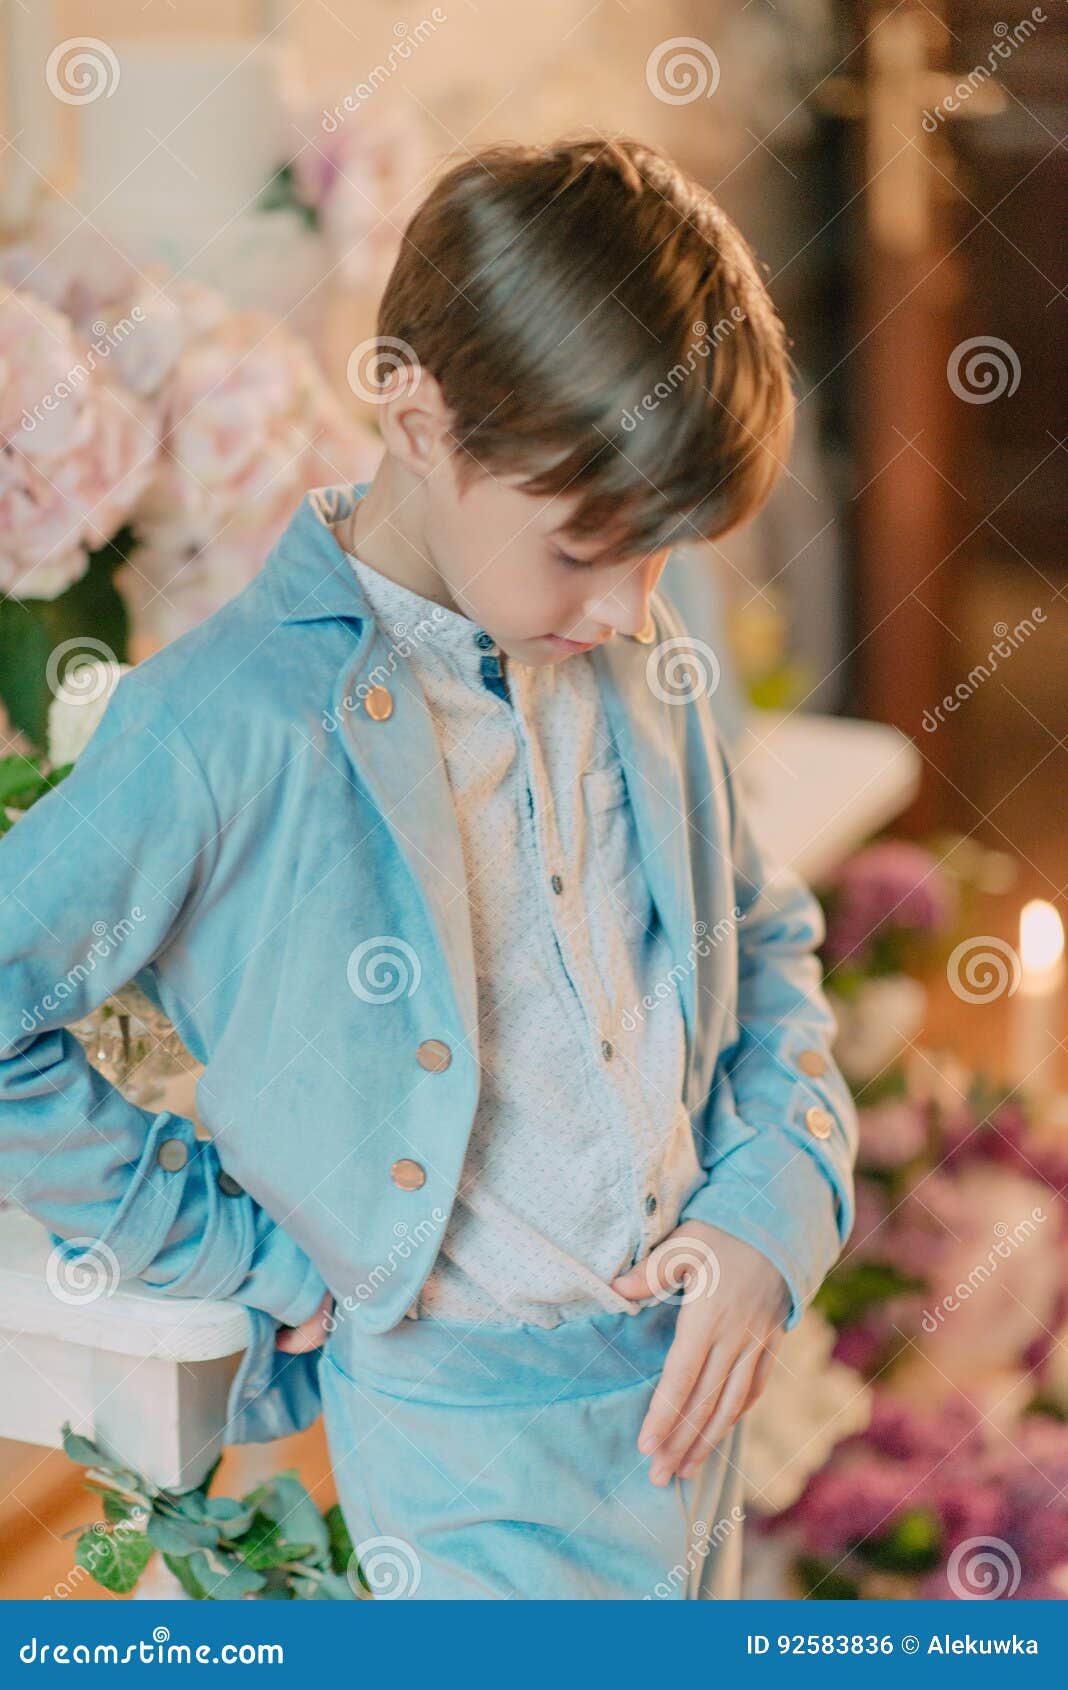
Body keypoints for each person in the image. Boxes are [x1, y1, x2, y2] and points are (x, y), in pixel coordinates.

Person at [0, 135, 857, 1600]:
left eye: (656, 559)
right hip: (456, 1431)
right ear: (415, 412)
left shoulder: (629, 649)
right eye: (586, 548)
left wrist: (767, 1214)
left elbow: (763, 944)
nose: (627, 607)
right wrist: (236, 1250)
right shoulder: (226, 719)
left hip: (685, 1395)